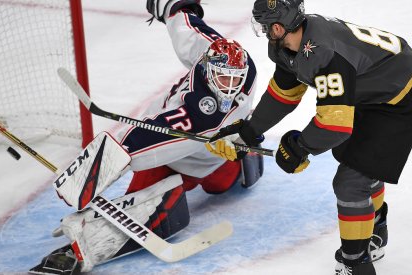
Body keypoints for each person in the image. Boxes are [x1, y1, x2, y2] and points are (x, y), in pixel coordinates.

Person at [205, 0, 412, 274]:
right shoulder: (291, 44)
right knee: (354, 161)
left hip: (399, 96)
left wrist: (299, 147)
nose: (265, 32)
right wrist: (249, 131)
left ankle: (355, 263)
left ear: (278, 27)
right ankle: (375, 229)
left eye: (266, 26)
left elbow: (334, 127)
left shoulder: (324, 52)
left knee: (351, 182)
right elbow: (284, 94)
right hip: (372, 87)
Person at [30, 1, 262, 274]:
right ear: (208, 70)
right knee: (144, 206)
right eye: (224, 80)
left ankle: (245, 157)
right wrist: (112, 158)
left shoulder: (236, 75)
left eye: (236, 80)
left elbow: (187, 26)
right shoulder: (202, 93)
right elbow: (155, 134)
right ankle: (80, 250)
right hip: (173, 161)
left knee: (222, 186)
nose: (231, 87)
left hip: (214, 158)